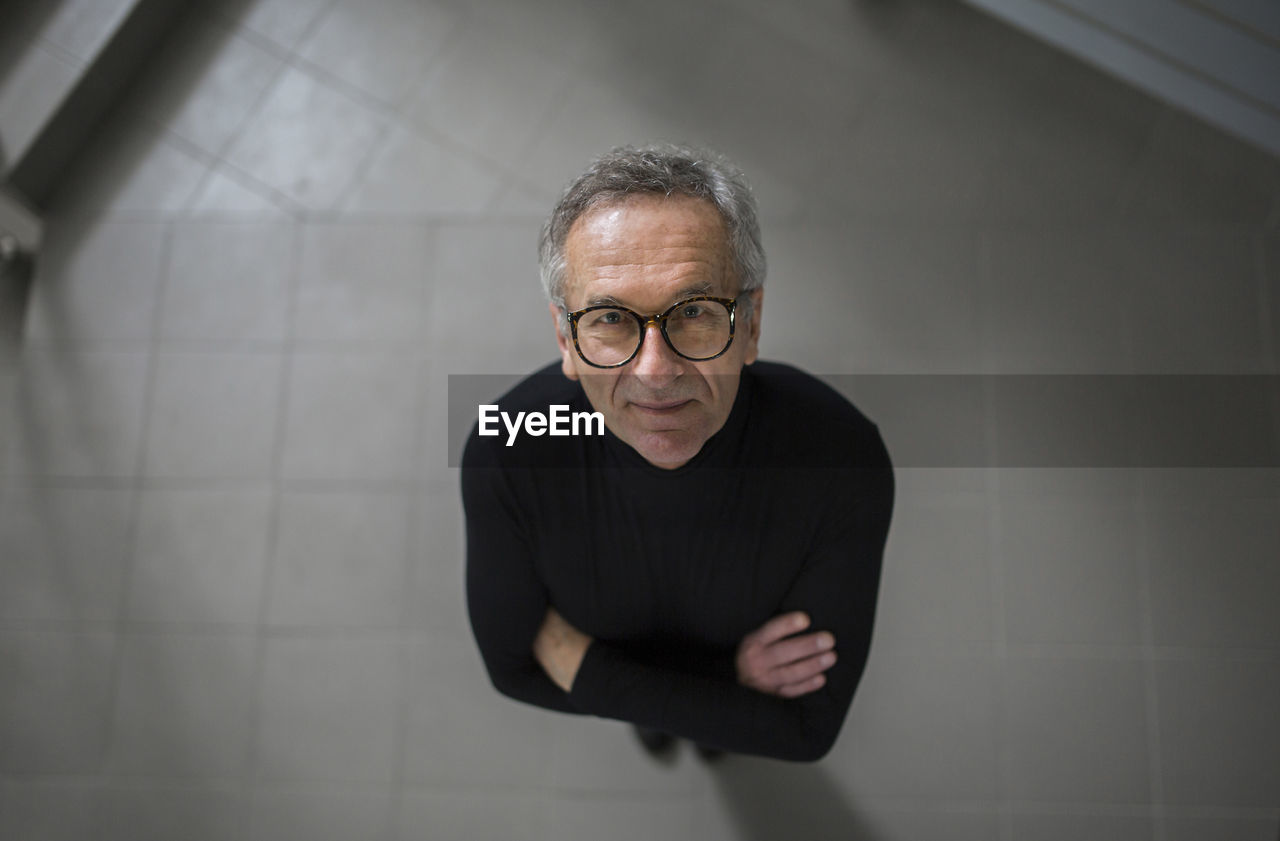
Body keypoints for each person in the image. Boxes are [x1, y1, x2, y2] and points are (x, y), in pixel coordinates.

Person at [461, 144, 894, 762]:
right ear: (565, 337)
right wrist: (729, 688)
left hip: (616, 672)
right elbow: (512, 672)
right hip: (731, 677)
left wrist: (585, 664)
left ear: (751, 323)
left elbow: (806, 731)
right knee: (675, 726)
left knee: (696, 732)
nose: (655, 372)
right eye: (610, 318)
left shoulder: (840, 455)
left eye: (693, 311)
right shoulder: (511, 443)